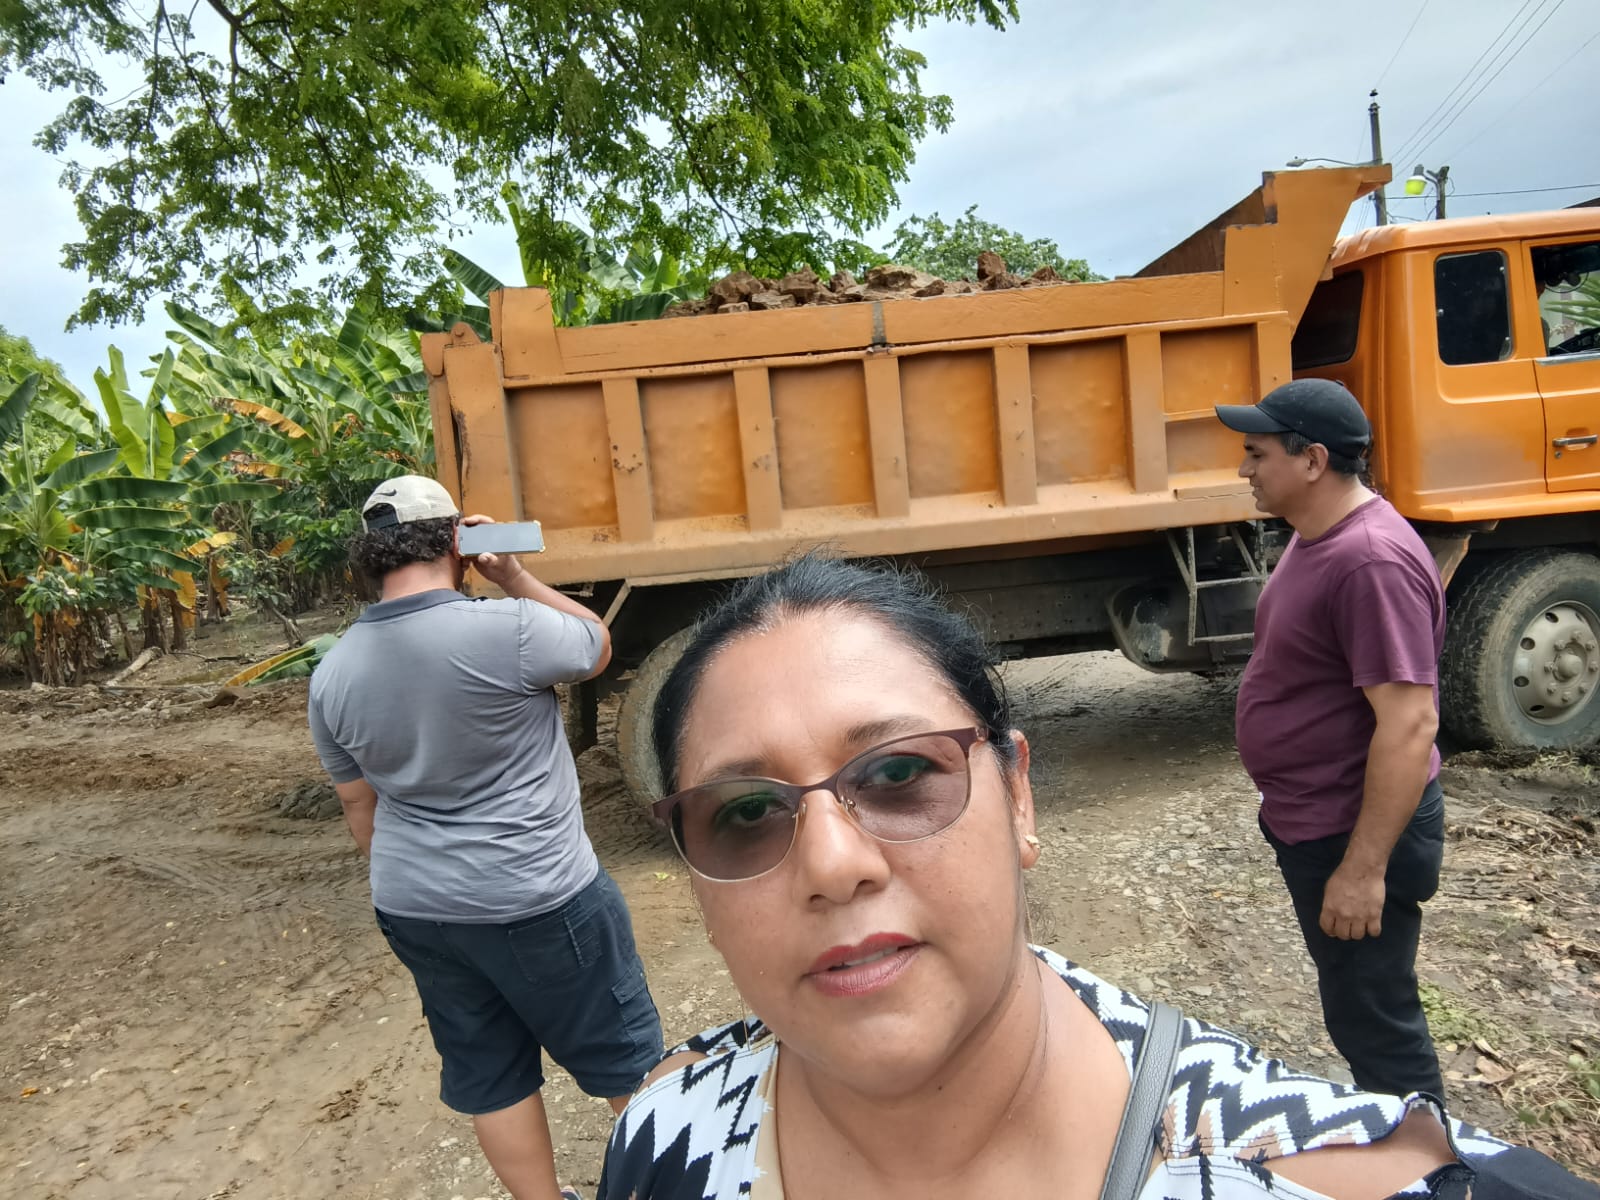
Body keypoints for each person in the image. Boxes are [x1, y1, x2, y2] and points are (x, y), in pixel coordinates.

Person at [596, 554, 1596, 1200]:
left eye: (898, 774)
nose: (831, 864)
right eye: (745, 814)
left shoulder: (1336, 1177)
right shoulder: (667, 1141)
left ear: (1018, 799)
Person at [307, 474, 663, 1200]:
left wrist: (426, 882)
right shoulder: (510, 628)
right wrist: (514, 575)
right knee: (623, 1057)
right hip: (538, 896)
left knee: (490, 1071)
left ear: (370, 557)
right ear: (456, 541)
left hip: (416, 907)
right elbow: (596, 645)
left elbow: (358, 805)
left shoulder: (332, 674)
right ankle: (668, 1186)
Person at [1215, 378, 1446, 1099]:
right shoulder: (1317, 536)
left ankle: (1426, 1148)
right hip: (1319, 820)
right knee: (1356, 1006)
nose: (1245, 470)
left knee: (1377, 1021)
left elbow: (1410, 723)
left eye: (1257, 454)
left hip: (1352, 831)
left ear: (1313, 460)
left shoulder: (1368, 561)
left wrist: (1362, 870)